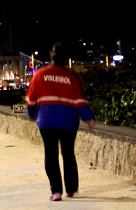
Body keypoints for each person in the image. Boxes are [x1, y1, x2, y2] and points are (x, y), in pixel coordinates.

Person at [26, 42, 96, 202]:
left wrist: (30, 113)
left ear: (51, 57)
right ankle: (70, 189)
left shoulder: (40, 74)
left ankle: (56, 191)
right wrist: (88, 118)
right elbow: (79, 101)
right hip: (68, 122)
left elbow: (31, 99)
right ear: (66, 59)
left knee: (51, 155)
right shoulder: (71, 77)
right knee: (68, 154)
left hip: (46, 121)